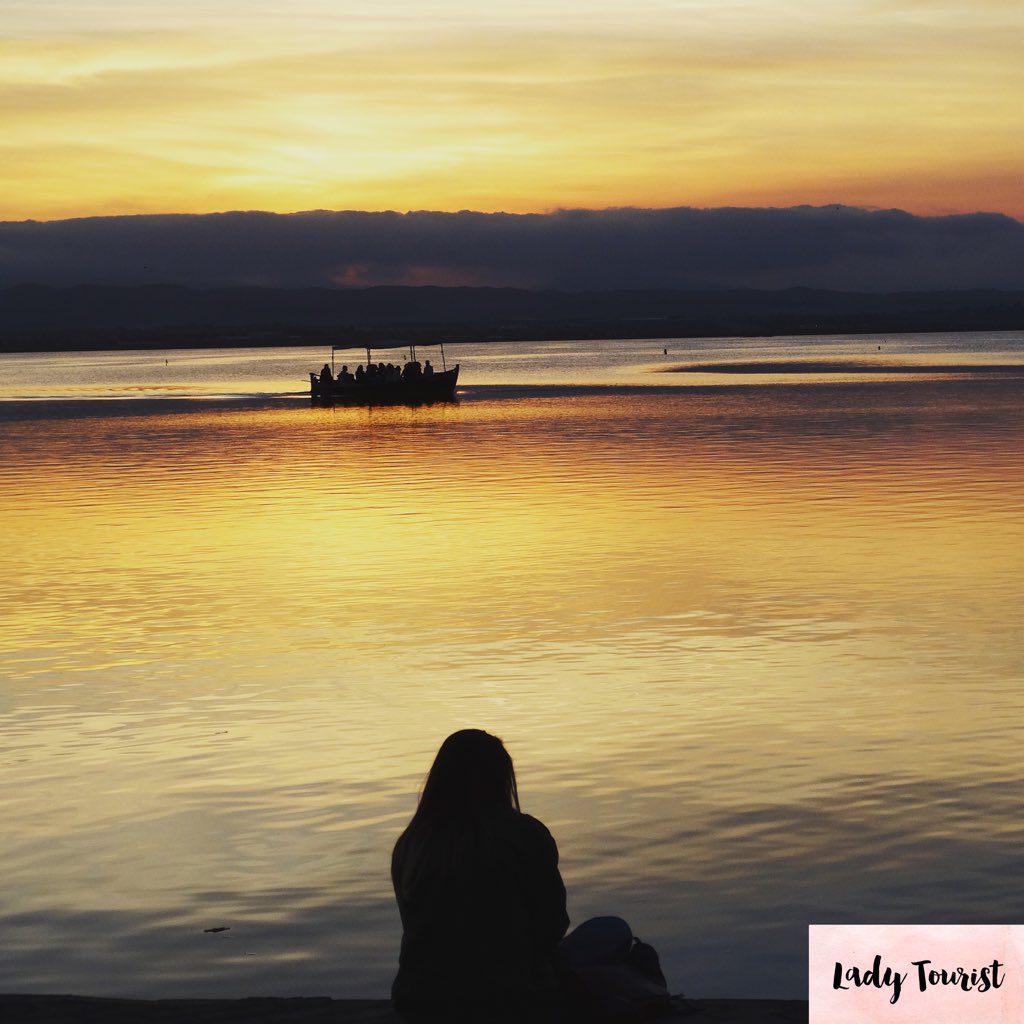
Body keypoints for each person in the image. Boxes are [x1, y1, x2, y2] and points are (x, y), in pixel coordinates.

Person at [391, 730, 569, 1023]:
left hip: (418, 999)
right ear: (501, 779)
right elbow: (553, 924)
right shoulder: (523, 835)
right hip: (507, 1000)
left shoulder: (412, 844)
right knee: (612, 934)